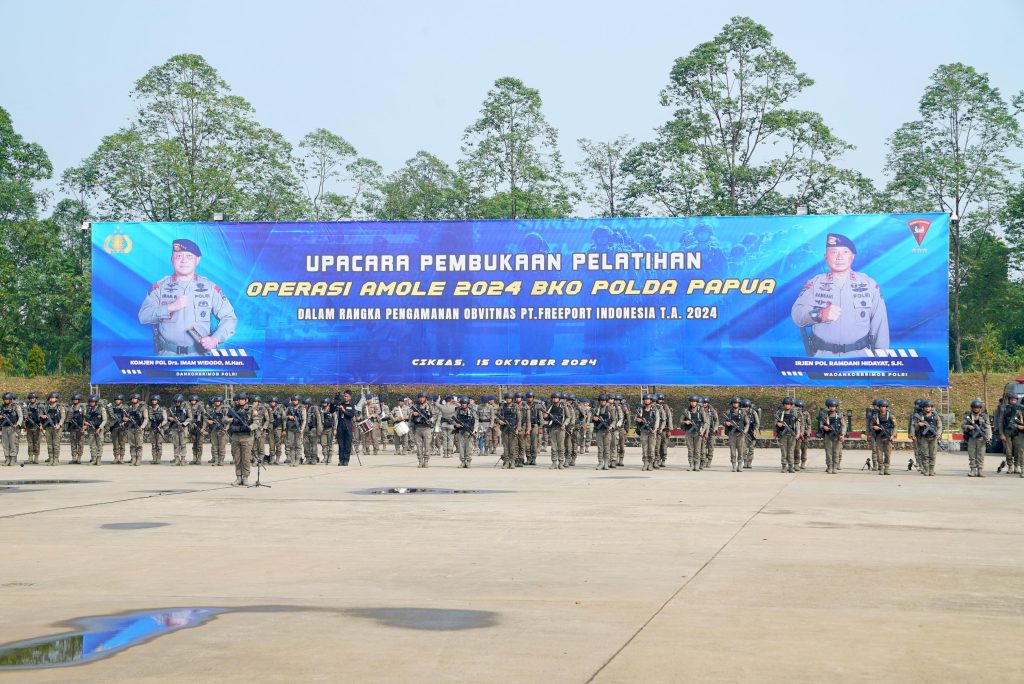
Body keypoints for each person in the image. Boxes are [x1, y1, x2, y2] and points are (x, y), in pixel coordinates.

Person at [790, 233, 890, 357]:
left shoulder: (869, 285)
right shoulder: (814, 284)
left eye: (845, 252)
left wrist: (881, 360)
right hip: (822, 357)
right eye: (834, 252)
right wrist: (820, 314)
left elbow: (880, 325)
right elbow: (797, 315)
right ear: (826, 256)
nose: (839, 257)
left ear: (853, 256)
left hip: (860, 357)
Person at [137, 238, 238, 355]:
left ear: (197, 260)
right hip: (168, 356)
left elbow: (229, 318)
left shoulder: (210, 288)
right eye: (179, 256)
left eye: (189, 256)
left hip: (200, 356)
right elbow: (143, 316)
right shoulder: (159, 288)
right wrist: (170, 307)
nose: (184, 260)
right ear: (172, 260)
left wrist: (215, 338)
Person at [226, 392, 261, 486]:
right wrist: (232, 420)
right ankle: (238, 477)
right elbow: (224, 419)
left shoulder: (252, 410)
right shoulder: (233, 409)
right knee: (237, 458)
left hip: (247, 437)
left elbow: (257, 423)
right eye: (239, 399)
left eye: (242, 399)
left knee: (246, 458)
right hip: (235, 437)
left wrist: (250, 427)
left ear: (246, 400)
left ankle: (245, 477)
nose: (240, 401)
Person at [909, 400, 942, 476]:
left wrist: (939, 434)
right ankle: (926, 470)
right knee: (925, 454)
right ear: (923, 408)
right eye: (926, 407)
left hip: (933, 437)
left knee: (933, 455)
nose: (928, 408)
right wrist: (918, 424)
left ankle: (931, 470)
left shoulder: (935, 416)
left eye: (929, 407)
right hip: (923, 437)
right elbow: (913, 425)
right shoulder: (919, 416)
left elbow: (939, 425)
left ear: (931, 408)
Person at [961, 399, 992, 477]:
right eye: (974, 408)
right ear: (972, 408)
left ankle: (980, 470)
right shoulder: (967, 415)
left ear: (980, 408)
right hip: (971, 438)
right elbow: (962, 425)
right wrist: (968, 426)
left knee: (980, 455)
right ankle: (972, 470)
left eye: (977, 408)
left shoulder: (984, 416)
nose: (976, 409)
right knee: (971, 454)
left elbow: (988, 426)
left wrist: (989, 436)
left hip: (981, 438)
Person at [775, 397, 803, 473]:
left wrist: (798, 433)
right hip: (783, 435)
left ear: (791, 405)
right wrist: (778, 423)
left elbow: (797, 424)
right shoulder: (780, 413)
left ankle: (791, 466)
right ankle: (784, 466)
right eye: (785, 404)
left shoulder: (794, 413)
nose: (787, 406)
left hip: (792, 435)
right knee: (784, 452)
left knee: (791, 452)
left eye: (789, 404)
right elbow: (775, 422)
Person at [818, 398, 846, 474]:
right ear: (828, 407)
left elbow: (843, 425)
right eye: (830, 406)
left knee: (836, 452)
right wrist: (824, 427)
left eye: (833, 406)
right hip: (827, 435)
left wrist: (842, 435)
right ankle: (829, 466)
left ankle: (835, 466)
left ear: (836, 407)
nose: (832, 408)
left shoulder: (839, 415)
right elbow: (820, 424)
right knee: (828, 452)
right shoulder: (824, 414)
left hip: (837, 436)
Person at [721, 397, 748, 472]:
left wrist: (745, 431)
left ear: (739, 404)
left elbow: (747, 423)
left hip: (740, 434)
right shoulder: (728, 412)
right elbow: (723, 421)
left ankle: (739, 465)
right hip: (732, 434)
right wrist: (726, 423)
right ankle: (733, 465)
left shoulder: (743, 412)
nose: (735, 404)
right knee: (732, 451)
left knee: (740, 451)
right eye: (734, 403)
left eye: (737, 403)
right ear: (732, 404)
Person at [635, 393, 662, 471]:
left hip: (652, 431)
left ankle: (650, 463)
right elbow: (635, 419)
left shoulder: (654, 409)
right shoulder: (640, 409)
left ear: (651, 400)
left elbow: (657, 419)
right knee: (644, 448)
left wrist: (655, 429)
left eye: (648, 399)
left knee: (652, 448)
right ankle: (645, 463)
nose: (647, 401)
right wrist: (638, 420)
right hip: (643, 431)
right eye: (645, 399)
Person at [681, 395, 706, 471]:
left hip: (698, 432)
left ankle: (697, 465)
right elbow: (681, 420)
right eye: (691, 401)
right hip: (689, 432)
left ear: (697, 402)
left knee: (697, 450)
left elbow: (705, 422)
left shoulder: (701, 410)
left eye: (694, 401)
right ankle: (691, 464)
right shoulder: (686, 410)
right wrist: (686, 421)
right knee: (690, 449)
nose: (693, 403)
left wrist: (702, 431)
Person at [410, 391, 434, 468]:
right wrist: (413, 414)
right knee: (419, 446)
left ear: (425, 398)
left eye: (423, 397)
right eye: (420, 397)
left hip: (427, 428)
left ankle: (426, 461)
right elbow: (409, 414)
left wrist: (431, 420)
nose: (421, 399)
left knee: (427, 446)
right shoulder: (415, 406)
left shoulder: (429, 405)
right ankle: (420, 461)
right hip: (418, 428)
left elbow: (434, 415)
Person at [167, 394, 192, 466]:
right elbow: (168, 417)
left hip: (183, 428)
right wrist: (170, 418)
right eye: (176, 401)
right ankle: (177, 459)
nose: (177, 403)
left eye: (178, 401)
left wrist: (184, 423)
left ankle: (183, 459)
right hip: (174, 428)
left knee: (183, 444)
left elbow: (190, 418)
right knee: (176, 444)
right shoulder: (172, 408)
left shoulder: (186, 408)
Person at [871, 400, 896, 475]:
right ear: (879, 407)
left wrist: (893, 435)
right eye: (881, 407)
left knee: (887, 454)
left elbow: (895, 426)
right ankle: (881, 468)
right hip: (879, 437)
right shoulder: (875, 416)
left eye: (884, 407)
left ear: (886, 407)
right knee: (879, 454)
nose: (883, 408)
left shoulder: (891, 416)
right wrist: (874, 427)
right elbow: (870, 425)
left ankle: (886, 468)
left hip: (888, 437)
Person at [42, 392, 66, 466]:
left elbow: (63, 417)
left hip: (56, 428)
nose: (52, 399)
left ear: (56, 399)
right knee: (49, 445)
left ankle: (55, 459)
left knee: (56, 444)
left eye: (53, 397)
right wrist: (42, 416)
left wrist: (59, 425)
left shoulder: (60, 407)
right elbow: (40, 416)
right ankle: (51, 459)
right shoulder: (46, 407)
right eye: (50, 398)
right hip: (48, 427)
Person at [545, 392, 568, 470]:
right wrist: (546, 416)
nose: (554, 399)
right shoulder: (550, 406)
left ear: (559, 399)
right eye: (553, 398)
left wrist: (564, 424)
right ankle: (554, 462)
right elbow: (546, 417)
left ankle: (561, 462)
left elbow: (568, 417)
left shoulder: (563, 407)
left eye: (556, 398)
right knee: (553, 447)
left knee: (561, 446)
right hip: (552, 428)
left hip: (560, 429)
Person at [453, 396, 478, 468]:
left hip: (469, 431)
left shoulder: (472, 411)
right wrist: (455, 424)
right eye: (462, 403)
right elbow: (453, 420)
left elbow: (476, 421)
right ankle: (463, 462)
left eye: (465, 403)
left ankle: (468, 461)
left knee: (469, 447)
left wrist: (475, 430)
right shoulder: (457, 411)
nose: (464, 405)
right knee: (461, 447)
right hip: (460, 431)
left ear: (467, 404)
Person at [124, 394, 148, 466]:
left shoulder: (142, 408)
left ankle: (138, 459)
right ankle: (133, 458)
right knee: (132, 445)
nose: (133, 400)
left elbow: (146, 418)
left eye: (134, 398)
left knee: (139, 445)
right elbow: (124, 418)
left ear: (138, 399)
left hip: (139, 428)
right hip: (130, 428)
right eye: (132, 398)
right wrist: (126, 419)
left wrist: (142, 426)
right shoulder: (129, 409)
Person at [592, 394, 615, 470]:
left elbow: (614, 420)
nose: (603, 402)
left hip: (607, 431)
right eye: (601, 401)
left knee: (607, 448)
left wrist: (611, 426)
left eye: (604, 401)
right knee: (600, 448)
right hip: (599, 430)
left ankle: (606, 463)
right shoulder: (596, 409)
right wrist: (594, 418)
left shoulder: (610, 409)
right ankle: (600, 463)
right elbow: (591, 417)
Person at [84, 395, 108, 466]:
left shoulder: (101, 409)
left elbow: (104, 420)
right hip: (91, 429)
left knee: (100, 444)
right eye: (90, 402)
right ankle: (93, 459)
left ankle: (99, 459)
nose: (91, 403)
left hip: (99, 429)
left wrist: (100, 428)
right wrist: (85, 423)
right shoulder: (88, 409)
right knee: (92, 445)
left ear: (96, 402)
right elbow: (85, 419)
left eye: (93, 402)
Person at [334, 391, 356, 466]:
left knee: (347, 444)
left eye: (346, 396)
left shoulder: (351, 405)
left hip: (348, 427)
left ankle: (346, 460)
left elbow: (351, 415)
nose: (345, 397)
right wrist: (335, 398)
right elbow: (332, 409)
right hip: (340, 426)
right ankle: (341, 460)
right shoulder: (340, 404)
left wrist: (344, 411)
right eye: (344, 396)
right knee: (341, 444)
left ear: (350, 397)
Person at [283, 395, 306, 467]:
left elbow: (304, 419)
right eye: (293, 400)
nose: (294, 401)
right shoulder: (289, 408)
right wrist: (288, 417)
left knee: (298, 445)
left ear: (298, 400)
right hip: (290, 429)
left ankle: (298, 460)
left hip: (298, 429)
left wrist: (302, 428)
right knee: (291, 445)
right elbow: (283, 417)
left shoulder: (302, 408)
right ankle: (292, 460)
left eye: (296, 400)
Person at [205, 396, 228, 466]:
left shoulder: (224, 410)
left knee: (222, 446)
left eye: (218, 401)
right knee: (214, 446)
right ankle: (216, 460)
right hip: (213, 430)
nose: (217, 403)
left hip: (222, 430)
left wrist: (226, 428)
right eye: (216, 401)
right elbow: (205, 417)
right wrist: (208, 421)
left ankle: (221, 460)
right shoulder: (211, 410)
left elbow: (228, 419)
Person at [1, 393, 23, 466]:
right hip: (4, 427)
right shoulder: (2, 407)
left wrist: (18, 424)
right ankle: (7, 459)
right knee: (5, 444)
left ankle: (13, 459)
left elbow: (20, 416)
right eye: (4, 400)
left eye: (6, 399)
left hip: (13, 427)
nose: (5, 401)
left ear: (10, 399)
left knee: (13, 444)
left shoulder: (16, 406)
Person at [22, 392, 43, 465]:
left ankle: (36, 457)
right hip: (29, 427)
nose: (32, 399)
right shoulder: (27, 406)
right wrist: (25, 420)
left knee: (36, 443)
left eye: (33, 398)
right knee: (30, 443)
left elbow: (42, 416)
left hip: (37, 427)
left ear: (36, 398)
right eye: (30, 398)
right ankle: (30, 457)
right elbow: (24, 415)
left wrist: (41, 425)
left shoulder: (39, 406)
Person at [108, 394, 128, 465]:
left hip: (122, 427)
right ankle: (116, 457)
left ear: (121, 401)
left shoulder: (125, 407)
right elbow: (109, 416)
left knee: (122, 443)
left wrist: (125, 420)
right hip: (114, 427)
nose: (117, 401)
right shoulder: (111, 408)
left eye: (118, 400)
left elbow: (129, 416)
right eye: (116, 400)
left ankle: (121, 458)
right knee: (115, 444)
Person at [147, 395, 167, 464]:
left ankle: (158, 458)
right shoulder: (149, 410)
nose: (153, 401)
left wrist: (160, 426)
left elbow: (165, 419)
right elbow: (148, 419)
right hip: (152, 428)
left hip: (160, 428)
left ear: (158, 401)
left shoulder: (162, 409)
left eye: (155, 400)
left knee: (159, 444)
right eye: (152, 400)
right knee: (153, 444)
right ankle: (154, 458)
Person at [66, 394, 86, 464]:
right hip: (72, 428)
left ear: (79, 400)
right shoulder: (70, 408)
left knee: (80, 443)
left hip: (80, 428)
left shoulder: (82, 408)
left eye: (76, 399)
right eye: (74, 400)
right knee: (73, 443)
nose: (75, 401)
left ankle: (79, 457)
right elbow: (67, 418)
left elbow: (85, 419)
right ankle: (74, 457)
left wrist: (84, 428)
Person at [265, 396, 285, 465]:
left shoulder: (280, 409)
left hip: (278, 428)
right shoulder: (267, 409)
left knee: (278, 444)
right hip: (270, 429)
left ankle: (278, 459)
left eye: (274, 402)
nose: (272, 403)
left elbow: (284, 420)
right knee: (271, 444)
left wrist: (284, 430)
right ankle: (272, 458)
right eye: (271, 402)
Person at [187, 394, 206, 465]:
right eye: (192, 400)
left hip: (200, 427)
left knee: (199, 444)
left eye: (194, 400)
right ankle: (194, 458)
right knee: (194, 444)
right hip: (192, 428)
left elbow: (205, 419)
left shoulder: (201, 408)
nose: (193, 401)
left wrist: (203, 428)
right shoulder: (188, 408)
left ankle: (199, 458)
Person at [302, 398, 321, 463]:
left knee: (314, 445)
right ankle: (307, 458)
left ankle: (314, 458)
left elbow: (318, 420)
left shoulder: (315, 409)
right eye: (304, 404)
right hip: (305, 430)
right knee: (305, 444)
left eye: (306, 404)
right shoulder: (303, 409)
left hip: (313, 429)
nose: (305, 405)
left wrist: (319, 430)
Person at [319, 398, 336, 464]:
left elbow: (335, 420)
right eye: (323, 403)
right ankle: (325, 457)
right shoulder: (320, 410)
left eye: (325, 403)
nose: (323, 404)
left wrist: (334, 429)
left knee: (331, 443)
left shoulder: (332, 410)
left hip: (330, 429)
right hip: (323, 429)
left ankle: (330, 457)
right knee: (324, 444)